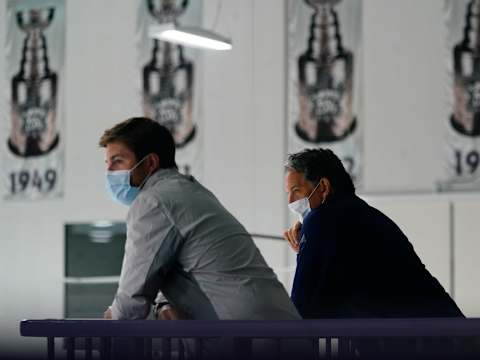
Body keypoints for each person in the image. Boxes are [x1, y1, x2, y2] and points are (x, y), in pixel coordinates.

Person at [99, 117, 304, 358]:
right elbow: (187, 265)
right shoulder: (191, 192)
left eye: (118, 161)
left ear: (150, 162)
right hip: (285, 333)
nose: (109, 172)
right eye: (107, 163)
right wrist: (164, 305)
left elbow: (131, 302)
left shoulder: (153, 202)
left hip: (248, 341)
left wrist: (109, 320)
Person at [283, 148, 464, 319]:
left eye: (296, 190)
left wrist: (309, 234)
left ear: (323, 187)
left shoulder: (321, 220)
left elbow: (302, 307)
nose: (290, 201)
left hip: (423, 342)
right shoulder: (364, 215)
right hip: (450, 333)